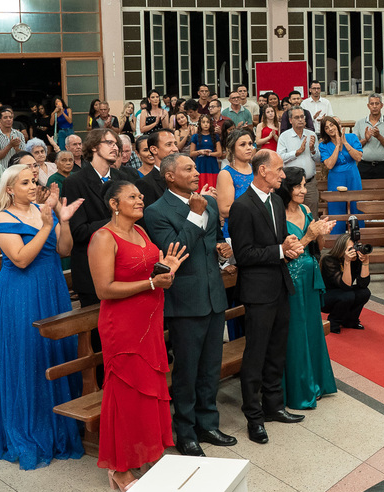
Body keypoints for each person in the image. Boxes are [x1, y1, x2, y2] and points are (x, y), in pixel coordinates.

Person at [89, 180, 187, 492]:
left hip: (149, 323)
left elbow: (151, 272)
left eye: (140, 195)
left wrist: (166, 269)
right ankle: (119, 467)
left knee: (148, 391)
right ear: (114, 204)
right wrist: (151, 285)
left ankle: (146, 453)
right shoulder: (103, 238)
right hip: (123, 327)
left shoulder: (141, 232)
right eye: (132, 196)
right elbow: (104, 289)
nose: (140, 199)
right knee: (127, 395)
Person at [0, 167, 84, 469]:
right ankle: (29, 426)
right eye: (24, 182)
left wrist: (62, 223)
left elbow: (64, 249)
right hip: (22, 292)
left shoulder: (44, 210)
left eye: (33, 181)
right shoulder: (2, 218)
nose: (32, 186)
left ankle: (60, 422)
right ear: (10, 189)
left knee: (54, 352)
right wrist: (45, 226)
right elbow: (21, 258)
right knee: (29, 354)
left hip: (51, 286)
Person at [142, 154, 238, 457]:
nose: (197, 173)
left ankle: (208, 423)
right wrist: (195, 216)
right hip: (185, 301)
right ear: (170, 176)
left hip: (213, 297)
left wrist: (223, 254)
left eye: (196, 168)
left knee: (211, 368)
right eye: (189, 169)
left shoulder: (207, 203)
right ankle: (185, 432)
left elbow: (214, 244)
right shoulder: (157, 211)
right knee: (187, 370)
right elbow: (176, 252)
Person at [229, 150, 306, 445]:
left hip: (279, 284)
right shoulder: (241, 206)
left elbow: (280, 240)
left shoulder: (275, 200)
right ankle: (254, 416)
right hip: (257, 290)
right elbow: (244, 254)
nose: (283, 175)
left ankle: (274, 407)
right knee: (256, 354)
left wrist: (288, 244)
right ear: (262, 171)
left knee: (276, 350)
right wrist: (279, 251)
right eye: (279, 170)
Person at [276, 167, 337, 409]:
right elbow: (286, 253)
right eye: (298, 186)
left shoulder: (305, 209)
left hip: (310, 276)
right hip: (291, 278)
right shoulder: (279, 214)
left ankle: (317, 382)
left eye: (304, 185)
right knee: (296, 332)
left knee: (312, 329)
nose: (304, 190)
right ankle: (301, 388)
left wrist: (321, 231)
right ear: (287, 188)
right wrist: (310, 236)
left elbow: (317, 245)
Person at [63, 128, 125, 311]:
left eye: (117, 144)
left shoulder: (124, 177)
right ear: (94, 147)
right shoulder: (75, 183)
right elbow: (79, 231)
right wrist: (117, 221)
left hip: (124, 266)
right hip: (92, 270)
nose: (115, 148)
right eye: (110, 143)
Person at [318, 117, 363, 234]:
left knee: (356, 208)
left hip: (353, 176)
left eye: (332, 125)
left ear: (337, 125)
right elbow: (329, 165)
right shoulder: (324, 145)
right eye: (326, 128)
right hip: (336, 178)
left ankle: (359, 238)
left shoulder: (352, 137)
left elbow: (358, 157)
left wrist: (345, 143)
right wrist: (337, 145)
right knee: (336, 210)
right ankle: (337, 241)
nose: (330, 129)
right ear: (324, 131)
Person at [319, 233, 371, 333]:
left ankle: (350, 321)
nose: (354, 251)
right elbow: (346, 286)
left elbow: (363, 285)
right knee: (348, 295)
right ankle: (333, 322)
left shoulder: (356, 259)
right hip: (325, 298)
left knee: (365, 292)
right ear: (342, 249)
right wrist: (347, 262)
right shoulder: (329, 260)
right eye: (351, 248)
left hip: (344, 293)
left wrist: (365, 262)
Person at [279, 107, 320, 215]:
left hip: (309, 184)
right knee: (291, 215)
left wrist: (312, 150)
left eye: (302, 117)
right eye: (297, 117)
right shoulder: (284, 136)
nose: (300, 119)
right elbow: (280, 157)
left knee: (312, 216)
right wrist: (297, 152)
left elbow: (319, 159)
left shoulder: (311, 134)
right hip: (291, 185)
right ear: (290, 120)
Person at [216, 127, 255, 229]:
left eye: (250, 144)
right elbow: (225, 210)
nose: (249, 148)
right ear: (231, 149)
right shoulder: (226, 174)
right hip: (237, 229)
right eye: (243, 144)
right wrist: (257, 208)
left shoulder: (256, 170)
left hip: (258, 228)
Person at [353, 94, 384, 181]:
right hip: (364, 166)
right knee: (363, 193)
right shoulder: (359, 123)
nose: (374, 106)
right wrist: (366, 139)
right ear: (368, 106)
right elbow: (354, 147)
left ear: (381, 105)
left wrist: (379, 137)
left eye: (377, 103)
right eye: (372, 104)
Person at [136, 129, 177, 205]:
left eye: (175, 144)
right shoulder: (145, 183)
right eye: (169, 144)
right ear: (154, 150)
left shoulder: (181, 176)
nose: (175, 149)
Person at [189, 114, 222, 192]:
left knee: (212, 187)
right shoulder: (195, 137)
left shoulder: (215, 136)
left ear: (210, 124)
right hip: (200, 164)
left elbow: (219, 153)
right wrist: (200, 152)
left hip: (212, 164)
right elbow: (191, 153)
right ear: (200, 124)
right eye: (203, 122)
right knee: (200, 186)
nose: (206, 124)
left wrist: (209, 154)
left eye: (207, 122)